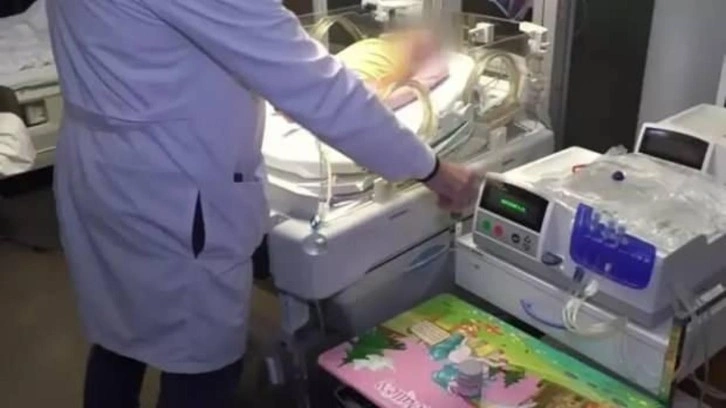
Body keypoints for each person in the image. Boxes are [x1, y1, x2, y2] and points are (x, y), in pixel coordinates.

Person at [47, 1, 481, 407]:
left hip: (97, 166)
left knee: (119, 335)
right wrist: (431, 169)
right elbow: (316, 86)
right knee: (201, 364)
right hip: (172, 190)